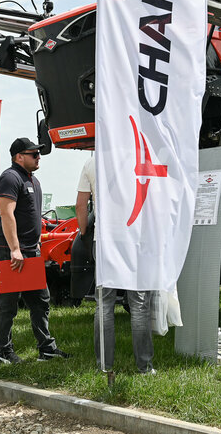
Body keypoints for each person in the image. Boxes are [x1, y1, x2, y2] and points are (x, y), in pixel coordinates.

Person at [75, 152, 156, 375]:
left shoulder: (92, 161)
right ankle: (144, 367)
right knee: (139, 304)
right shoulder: (137, 155)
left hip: (104, 240)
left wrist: (84, 234)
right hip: (136, 238)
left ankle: (104, 366)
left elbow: (81, 205)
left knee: (104, 304)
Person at [0, 137, 69, 365]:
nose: (38, 157)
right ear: (19, 157)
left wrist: (32, 247)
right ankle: (3, 353)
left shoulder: (32, 180)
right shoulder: (9, 178)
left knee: (41, 301)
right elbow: (7, 214)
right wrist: (15, 249)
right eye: (33, 154)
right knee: (8, 303)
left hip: (30, 251)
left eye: (38, 153)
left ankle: (47, 349)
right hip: (11, 251)